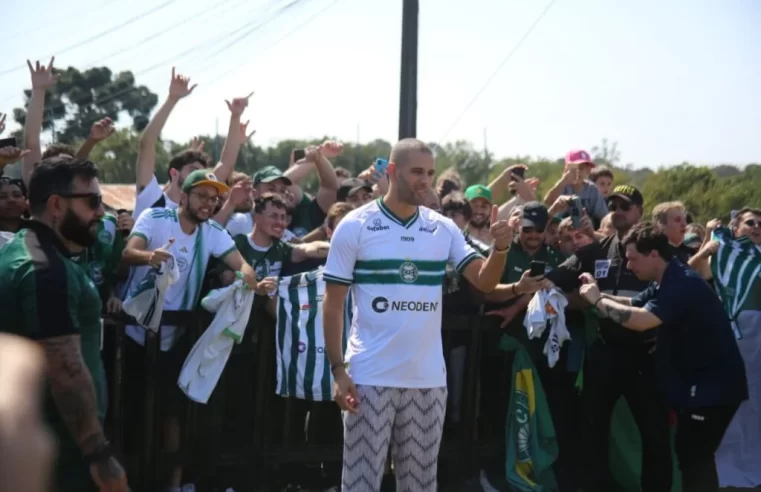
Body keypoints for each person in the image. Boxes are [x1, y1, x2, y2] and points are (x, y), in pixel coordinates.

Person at [322, 138, 513, 491]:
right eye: (416, 172)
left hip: (427, 381)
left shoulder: (443, 228)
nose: (425, 180)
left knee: (421, 486)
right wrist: (337, 369)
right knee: (361, 484)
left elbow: (484, 281)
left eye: (430, 173)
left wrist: (500, 248)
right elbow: (332, 303)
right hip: (369, 377)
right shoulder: (355, 225)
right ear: (392, 172)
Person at [578, 222, 748, 492]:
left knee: (695, 459)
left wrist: (598, 302)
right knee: (692, 456)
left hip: (711, 389)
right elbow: (632, 304)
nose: (630, 266)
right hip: (701, 387)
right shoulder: (667, 279)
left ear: (654, 255)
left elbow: (642, 320)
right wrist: (596, 294)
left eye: (633, 259)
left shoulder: (682, 283)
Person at [0, 156, 129, 491]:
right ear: (56, 205)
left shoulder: (40, 254)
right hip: (61, 453)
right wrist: (99, 454)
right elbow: (66, 368)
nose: (101, 212)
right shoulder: (44, 269)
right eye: (93, 201)